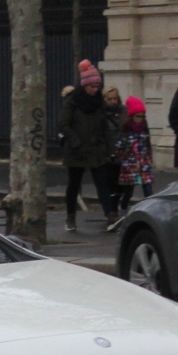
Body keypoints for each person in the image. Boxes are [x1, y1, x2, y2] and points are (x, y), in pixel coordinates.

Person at [59, 60, 117, 232]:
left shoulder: (99, 102)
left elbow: (104, 127)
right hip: (77, 150)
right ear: (84, 85)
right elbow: (63, 124)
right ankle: (70, 217)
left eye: (97, 86)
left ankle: (110, 214)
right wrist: (76, 142)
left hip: (96, 149)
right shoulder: (72, 101)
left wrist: (110, 148)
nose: (95, 89)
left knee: (102, 183)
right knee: (74, 185)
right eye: (92, 86)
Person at [112, 96, 153, 231]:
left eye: (142, 116)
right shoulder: (125, 131)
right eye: (137, 116)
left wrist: (148, 157)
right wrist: (120, 156)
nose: (140, 119)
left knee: (148, 188)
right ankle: (122, 208)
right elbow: (119, 146)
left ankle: (151, 209)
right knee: (128, 191)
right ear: (131, 116)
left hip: (143, 162)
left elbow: (147, 144)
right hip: (130, 164)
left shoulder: (144, 130)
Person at [103, 86, 126, 215]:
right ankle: (112, 210)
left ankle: (117, 206)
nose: (113, 101)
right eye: (109, 99)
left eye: (115, 98)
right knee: (111, 184)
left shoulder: (124, 111)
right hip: (108, 154)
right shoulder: (102, 115)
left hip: (122, 153)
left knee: (122, 185)